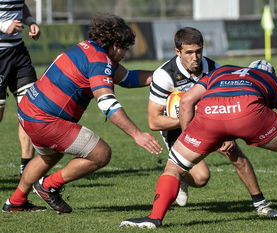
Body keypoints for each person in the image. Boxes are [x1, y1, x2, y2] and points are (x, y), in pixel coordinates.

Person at [120, 60, 277, 228]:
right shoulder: (273, 81)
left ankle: (154, 218)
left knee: (174, 166)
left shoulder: (222, 70)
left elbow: (187, 100)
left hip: (208, 115)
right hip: (250, 112)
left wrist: (191, 137)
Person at [2, 13, 162, 213]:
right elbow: (107, 103)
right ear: (114, 45)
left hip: (28, 112)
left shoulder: (89, 48)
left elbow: (128, 78)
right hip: (45, 120)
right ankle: (48, 185)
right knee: (101, 153)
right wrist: (138, 135)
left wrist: (164, 77)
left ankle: (15, 201)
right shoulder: (99, 60)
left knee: (49, 157)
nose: (125, 54)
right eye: (124, 48)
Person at [147, 27, 277, 216]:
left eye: (198, 51)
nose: (195, 57)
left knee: (234, 151)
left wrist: (227, 135)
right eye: (189, 53)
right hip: (177, 128)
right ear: (178, 52)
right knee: (201, 178)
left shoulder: (214, 69)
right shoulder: (164, 75)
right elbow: (154, 121)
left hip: (209, 120)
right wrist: (188, 118)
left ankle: (261, 205)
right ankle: (182, 176)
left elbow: (225, 102)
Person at [0, 2, 41, 178]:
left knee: (30, 109)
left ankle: (27, 170)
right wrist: (3, 26)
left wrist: (30, 21)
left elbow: (21, 5)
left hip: (18, 54)